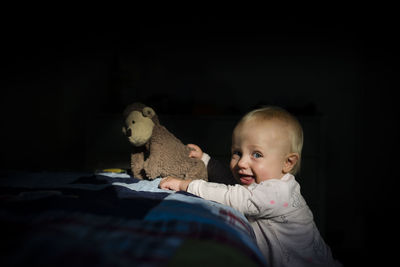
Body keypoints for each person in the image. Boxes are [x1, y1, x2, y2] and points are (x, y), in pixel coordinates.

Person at [159, 106, 341, 266]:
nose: (242, 163)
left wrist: (187, 185)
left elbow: (234, 196)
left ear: (288, 163)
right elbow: (230, 184)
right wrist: (205, 161)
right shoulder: (257, 184)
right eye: (237, 153)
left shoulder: (279, 191)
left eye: (257, 154)